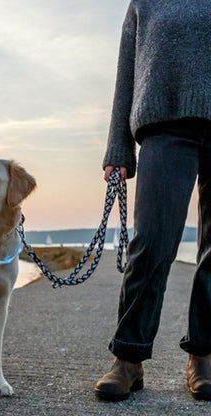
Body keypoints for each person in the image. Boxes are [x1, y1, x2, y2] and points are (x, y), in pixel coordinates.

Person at [95, 0, 211, 402]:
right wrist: (118, 148)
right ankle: (128, 359)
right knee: (153, 243)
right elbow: (126, 71)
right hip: (163, 128)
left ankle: (204, 354)